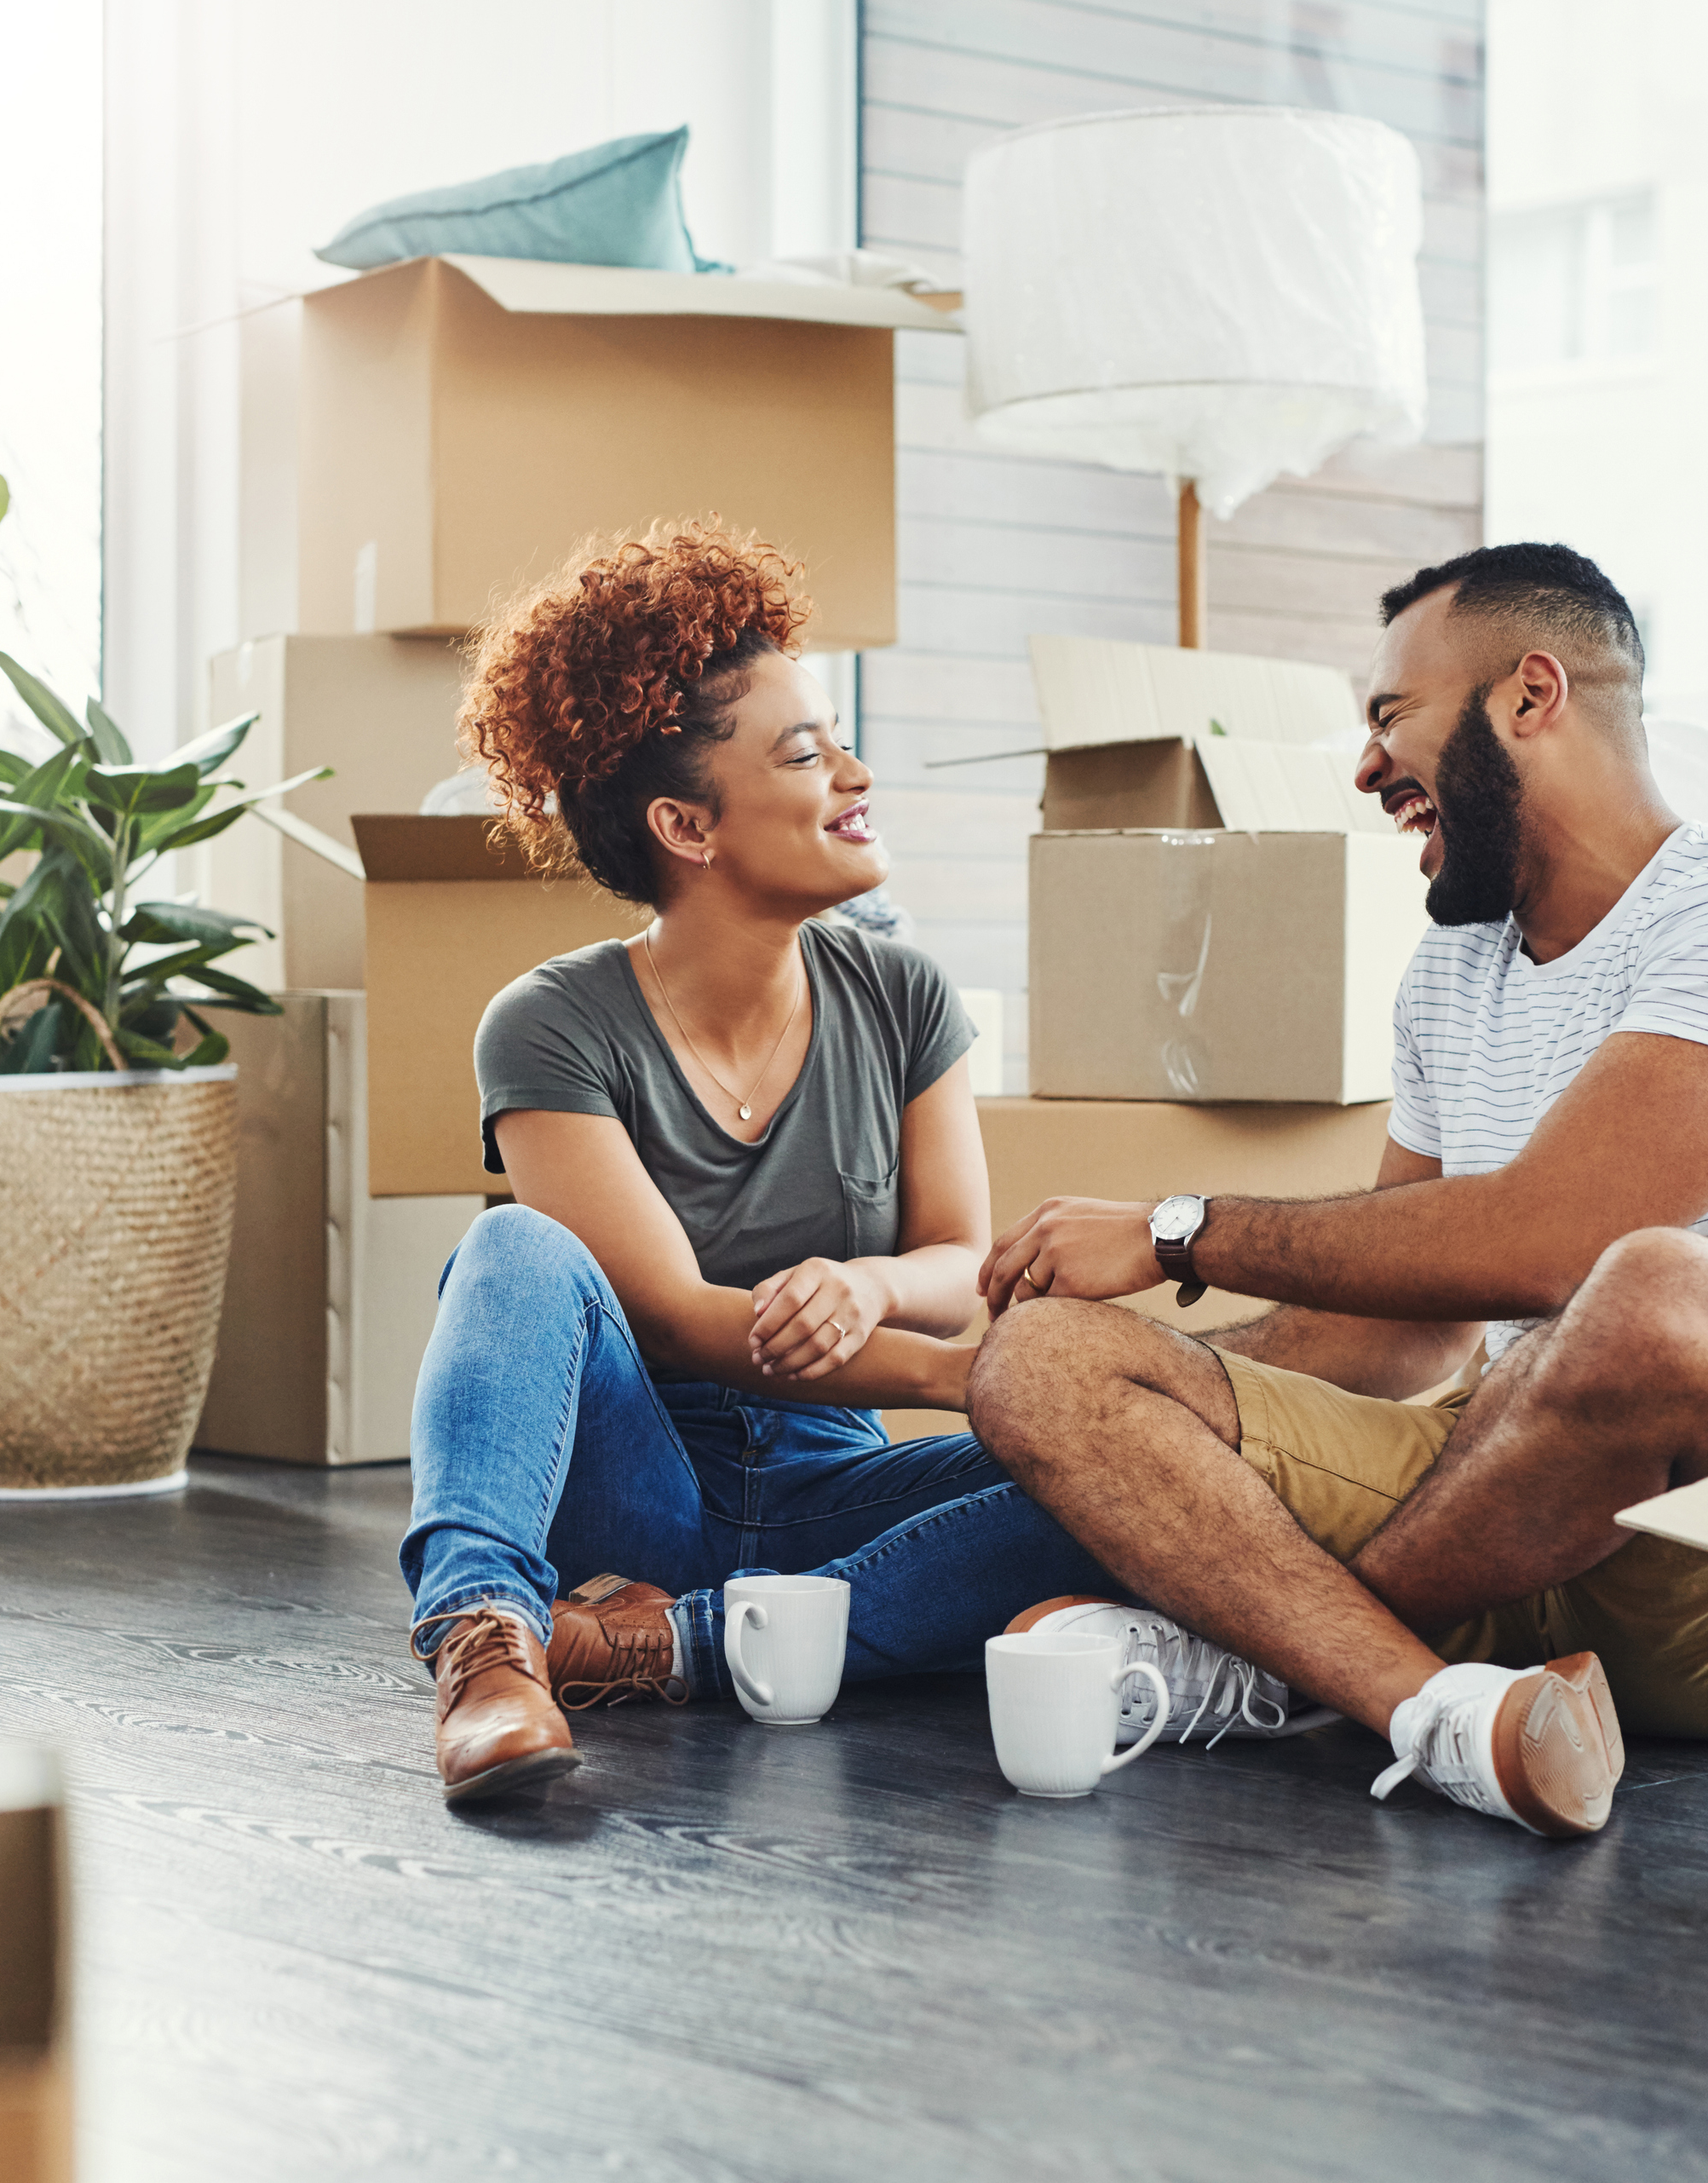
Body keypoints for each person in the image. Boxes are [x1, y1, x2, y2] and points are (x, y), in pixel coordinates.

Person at [968, 542, 1708, 1841]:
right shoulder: (1452, 973)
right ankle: (1437, 1707)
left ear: (1531, 695)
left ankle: (1283, 1671)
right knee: (1041, 1363)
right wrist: (1139, 1386)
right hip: (1507, 1508)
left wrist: (1178, 1232)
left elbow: (1551, 1245)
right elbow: (1394, 1336)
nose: (1366, 768)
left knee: (1660, 1293)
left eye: (1389, 716)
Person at [402, 524, 1164, 1804]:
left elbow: (954, 1264)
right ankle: (484, 1642)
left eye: (839, 741)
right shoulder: (548, 1024)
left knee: (1138, 1474)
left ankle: (664, 1646)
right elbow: (676, 1320)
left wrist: (874, 1287)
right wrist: (961, 1377)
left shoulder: (904, 995)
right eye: (807, 754)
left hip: (832, 1481)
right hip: (634, 1483)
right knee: (510, 1247)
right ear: (685, 825)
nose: (855, 775)